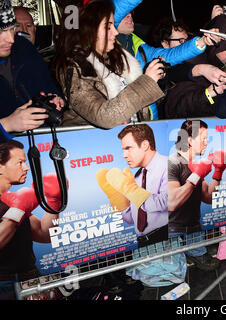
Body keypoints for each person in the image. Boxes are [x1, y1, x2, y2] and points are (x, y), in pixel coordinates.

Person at [54, 0, 166, 128]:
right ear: (89, 29)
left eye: (114, 26)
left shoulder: (121, 58)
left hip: (130, 138)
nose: (116, 32)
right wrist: (146, 82)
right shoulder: (74, 67)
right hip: (93, 144)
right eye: (108, 27)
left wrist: (156, 78)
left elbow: (137, 106)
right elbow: (104, 117)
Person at [0, 140, 63, 299]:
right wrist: (17, 210)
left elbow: (45, 235)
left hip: (29, 277)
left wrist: (54, 202)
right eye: (20, 163)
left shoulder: (12, 199)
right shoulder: (16, 204)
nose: (26, 167)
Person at [168, 120, 226, 271]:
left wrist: (218, 173)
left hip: (193, 228)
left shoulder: (194, 164)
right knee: (171, 268)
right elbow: (172, 203)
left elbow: (208, 198)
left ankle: (194, 253)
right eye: (203, 138)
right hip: (172, 230)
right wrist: (196, 175)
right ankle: (185, 254)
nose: (206, 143)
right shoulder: (173, 162)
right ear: (189, 140)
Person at [0, 0, 64, 136]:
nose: (11, 38)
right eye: (2, 31)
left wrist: (54, 99)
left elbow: (47, 86)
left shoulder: (24, 48)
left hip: (42, 141)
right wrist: (7, 124)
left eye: (12, 29)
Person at [97, 124, 168, 247]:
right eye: (123, 150)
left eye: (128, 148)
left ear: (145, 145)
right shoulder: (138, 176)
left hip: (166, 239)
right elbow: (132, 219)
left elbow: (166, 203)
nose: (124, 155)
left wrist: (130, 189)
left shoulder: (168, 165)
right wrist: (118, 199)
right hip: (142, 242)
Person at [161, 13, 226, 119]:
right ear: (165, 44)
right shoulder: (163, 70)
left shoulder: (203, 61)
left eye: (187, 41)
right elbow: (176, 109)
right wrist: (206, 93)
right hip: (188, 131)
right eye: (181, 41)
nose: (186, 46)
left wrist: (215, 21)